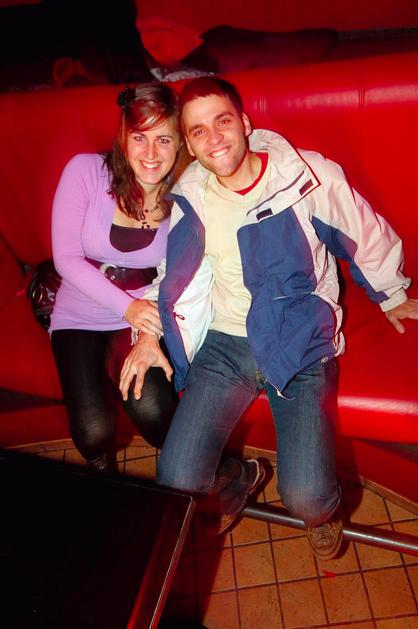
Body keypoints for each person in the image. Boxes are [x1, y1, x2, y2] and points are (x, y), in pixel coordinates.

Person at [119, 77, 418, 559]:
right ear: (190, 145)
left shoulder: (303, 176)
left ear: (244, 122)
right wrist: (147, 333)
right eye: (198, 131)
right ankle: (239, 481)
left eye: (222, 121)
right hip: (225, 346)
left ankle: (323, 513)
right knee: (176, 478)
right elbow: (174, 276)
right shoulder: (192, 197)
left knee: (306, 498)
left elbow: (360, 228)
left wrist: (392, 292)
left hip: (297, 340)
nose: (214, 138)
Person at [50, 83, 189, 472]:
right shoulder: (85, 170)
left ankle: (225, 475)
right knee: (92, 432)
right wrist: (127, 307)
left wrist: (145, 325)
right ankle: (105, 480)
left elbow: (180, 273)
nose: (150, 153)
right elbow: (66, 259)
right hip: (78, 313)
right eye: (140, 137)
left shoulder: (187, 194)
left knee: (154, 410)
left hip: (144, 314)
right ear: (124, 136)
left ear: (180, 143)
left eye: (163, 139)